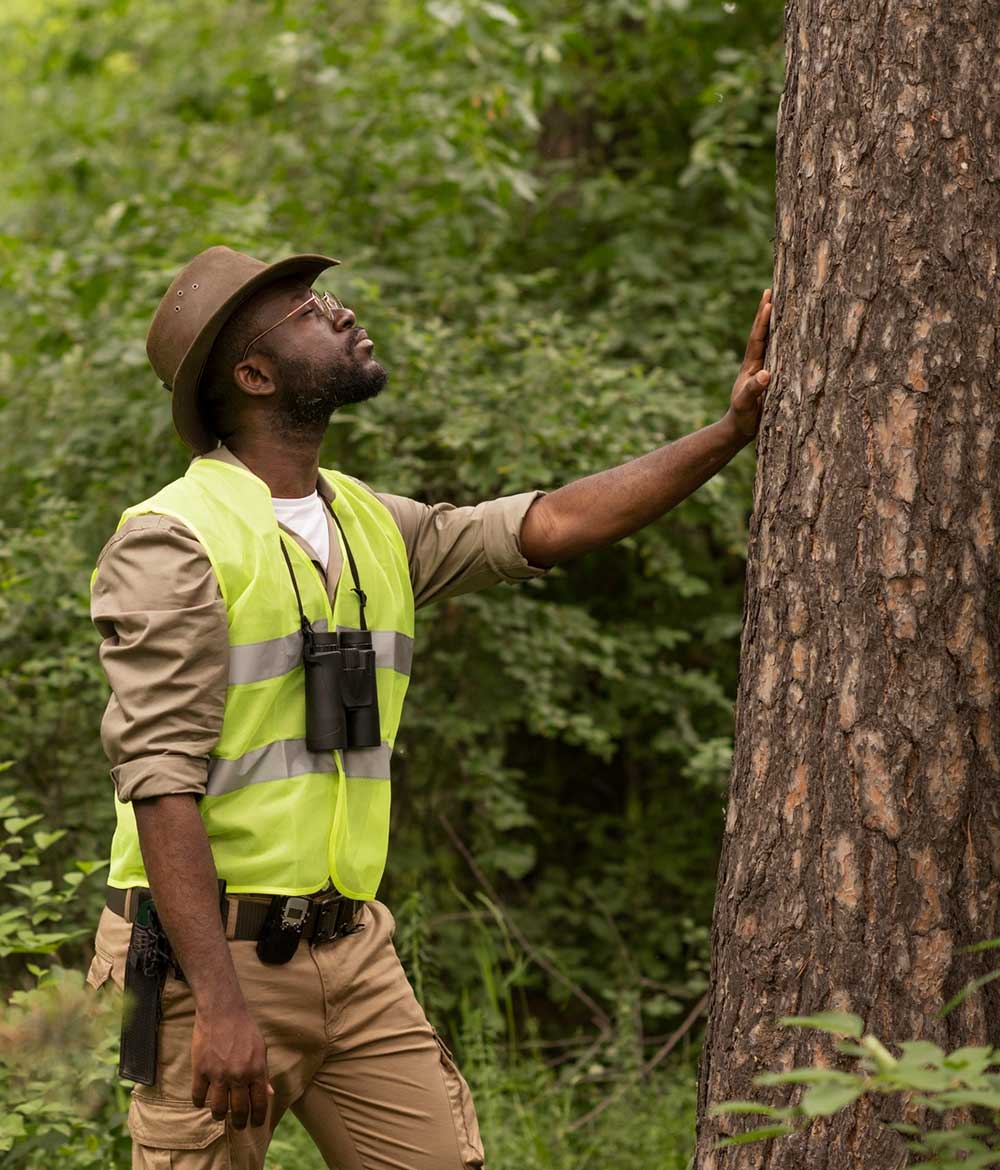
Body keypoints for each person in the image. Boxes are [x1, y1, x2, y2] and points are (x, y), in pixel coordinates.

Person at [86, 245, 772, 1170]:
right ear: (252, 375)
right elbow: (159, 783)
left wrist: (729, 434)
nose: (334, 310)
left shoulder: (372, 523)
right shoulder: (172, 540)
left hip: (351, 951)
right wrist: (218, 1001)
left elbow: (550, 525)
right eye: (300, 310)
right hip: (199, 966)